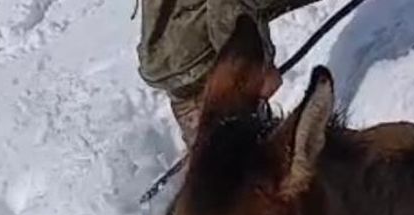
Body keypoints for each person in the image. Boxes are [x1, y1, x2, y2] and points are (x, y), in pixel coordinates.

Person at [137, 0, 322, 144]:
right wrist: (256, 68)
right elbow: (225, 7)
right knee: (241, 177)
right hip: (209, 65)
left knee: (219, 173)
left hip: (175, 59)